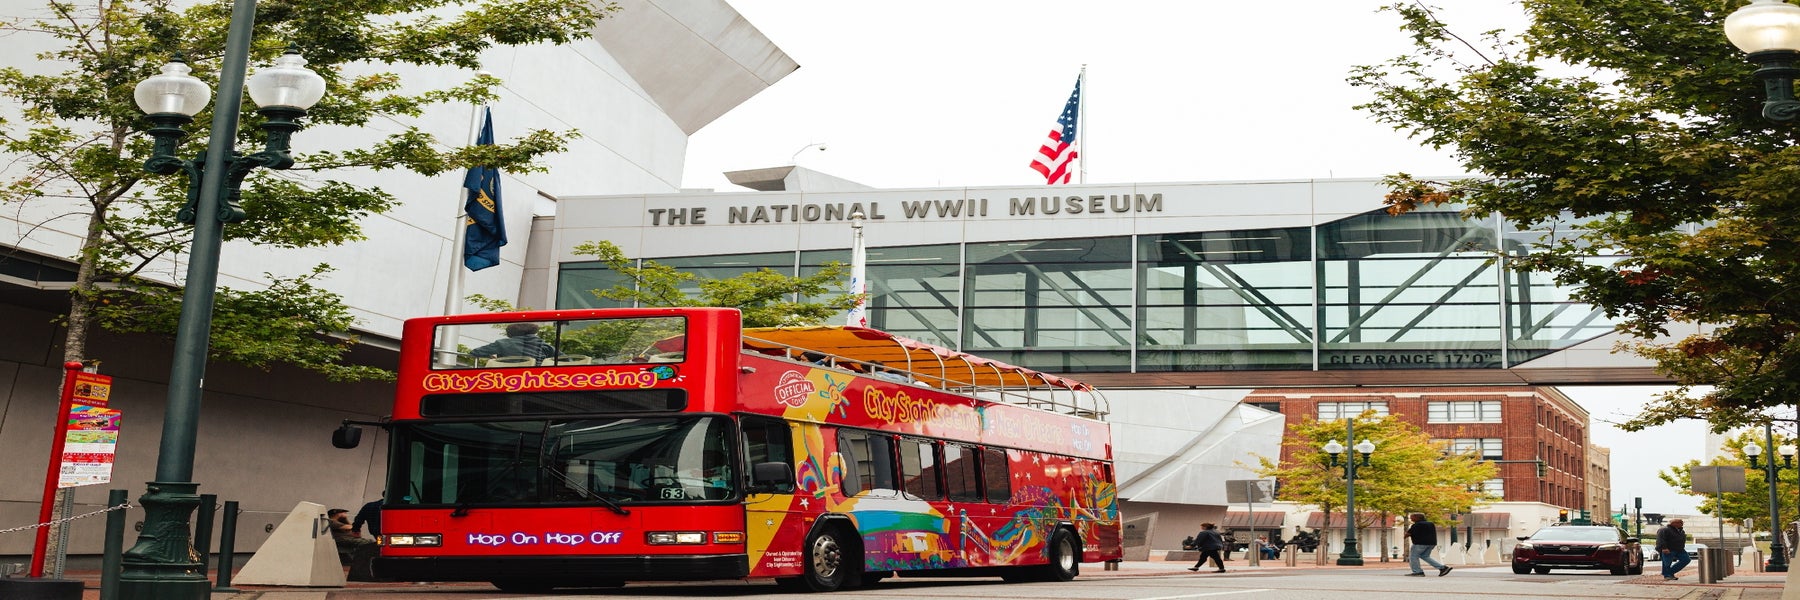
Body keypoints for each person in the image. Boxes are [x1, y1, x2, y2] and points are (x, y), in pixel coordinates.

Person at [469, 323, 557, 364]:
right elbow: (565, 359)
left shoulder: (502, 343)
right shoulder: (543, 345)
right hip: (536, 380)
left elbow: (475, 352)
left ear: (510, 333)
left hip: (507, 379)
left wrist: (491, 358)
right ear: (533, 332)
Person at [1404, 512, 1452, 577]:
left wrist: (1405, 536)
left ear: (1417, 517)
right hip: (1431, 543)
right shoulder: (1431, 524)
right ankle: (1443, 568)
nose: (1410, 518)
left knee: (1413, 557)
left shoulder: (1416, 525)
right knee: (1425, 556)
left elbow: (1408, 534)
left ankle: (1418, 572)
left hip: (1419, 544)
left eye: (1412, 517)